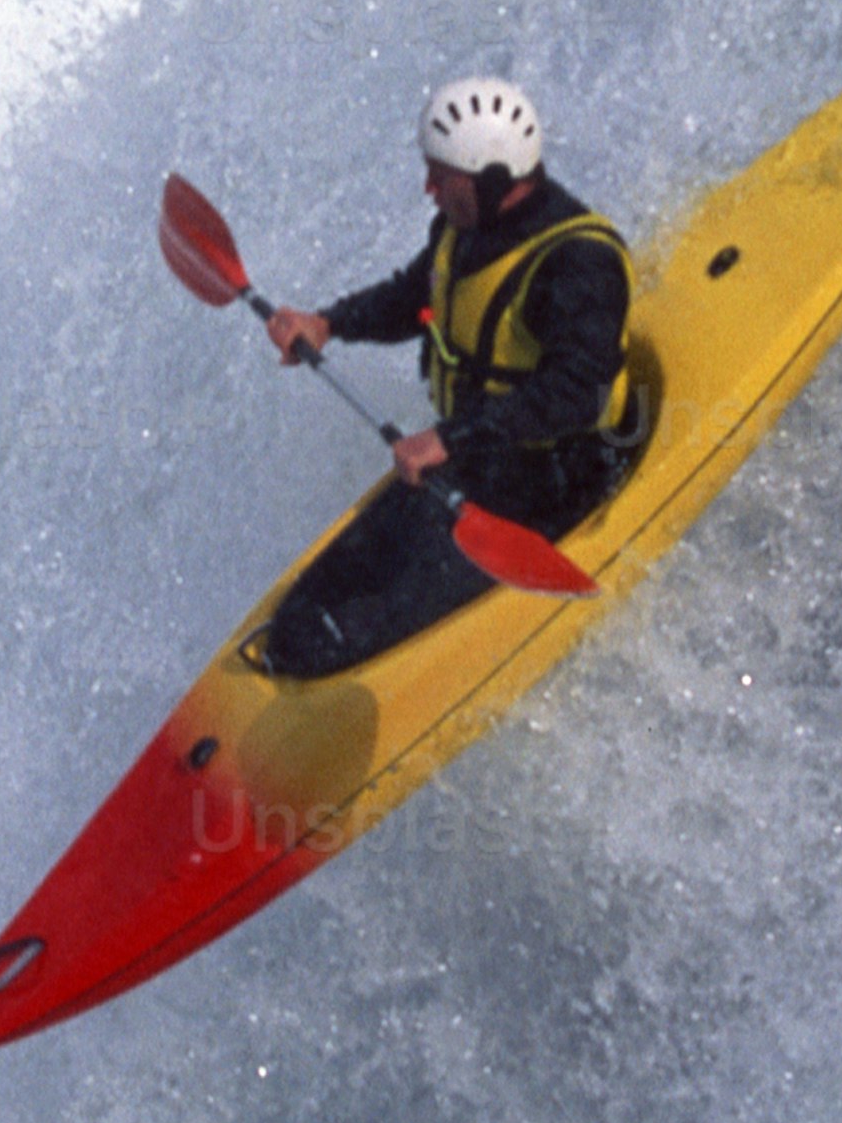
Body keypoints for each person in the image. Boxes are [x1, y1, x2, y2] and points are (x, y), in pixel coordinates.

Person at [253, 78, 637, 684]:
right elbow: (416, 298)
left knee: (362, 636)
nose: (428, 189)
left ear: (489, 179)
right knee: (308, 617)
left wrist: (449, 440)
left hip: (558, 481)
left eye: (441, 177)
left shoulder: (577, 264)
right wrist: (329, 323)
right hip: (478, 466)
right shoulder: (462, 228)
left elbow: (575, 395)